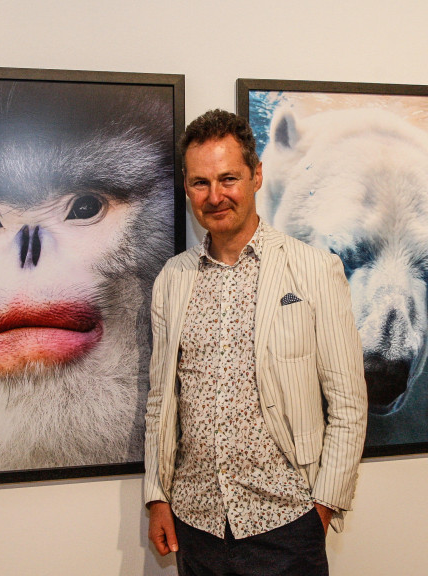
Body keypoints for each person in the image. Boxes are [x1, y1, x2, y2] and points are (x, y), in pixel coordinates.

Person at [143, 108, 367, 575]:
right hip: (196, 524)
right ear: (186, 187)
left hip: (287, 524)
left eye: (229, 178)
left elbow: (348, 404)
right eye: (200, 182)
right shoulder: (172, 279)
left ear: (256, 175)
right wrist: (157, 497)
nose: (215, 196)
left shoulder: (314, 270)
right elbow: (161, 399)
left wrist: (322, 507)